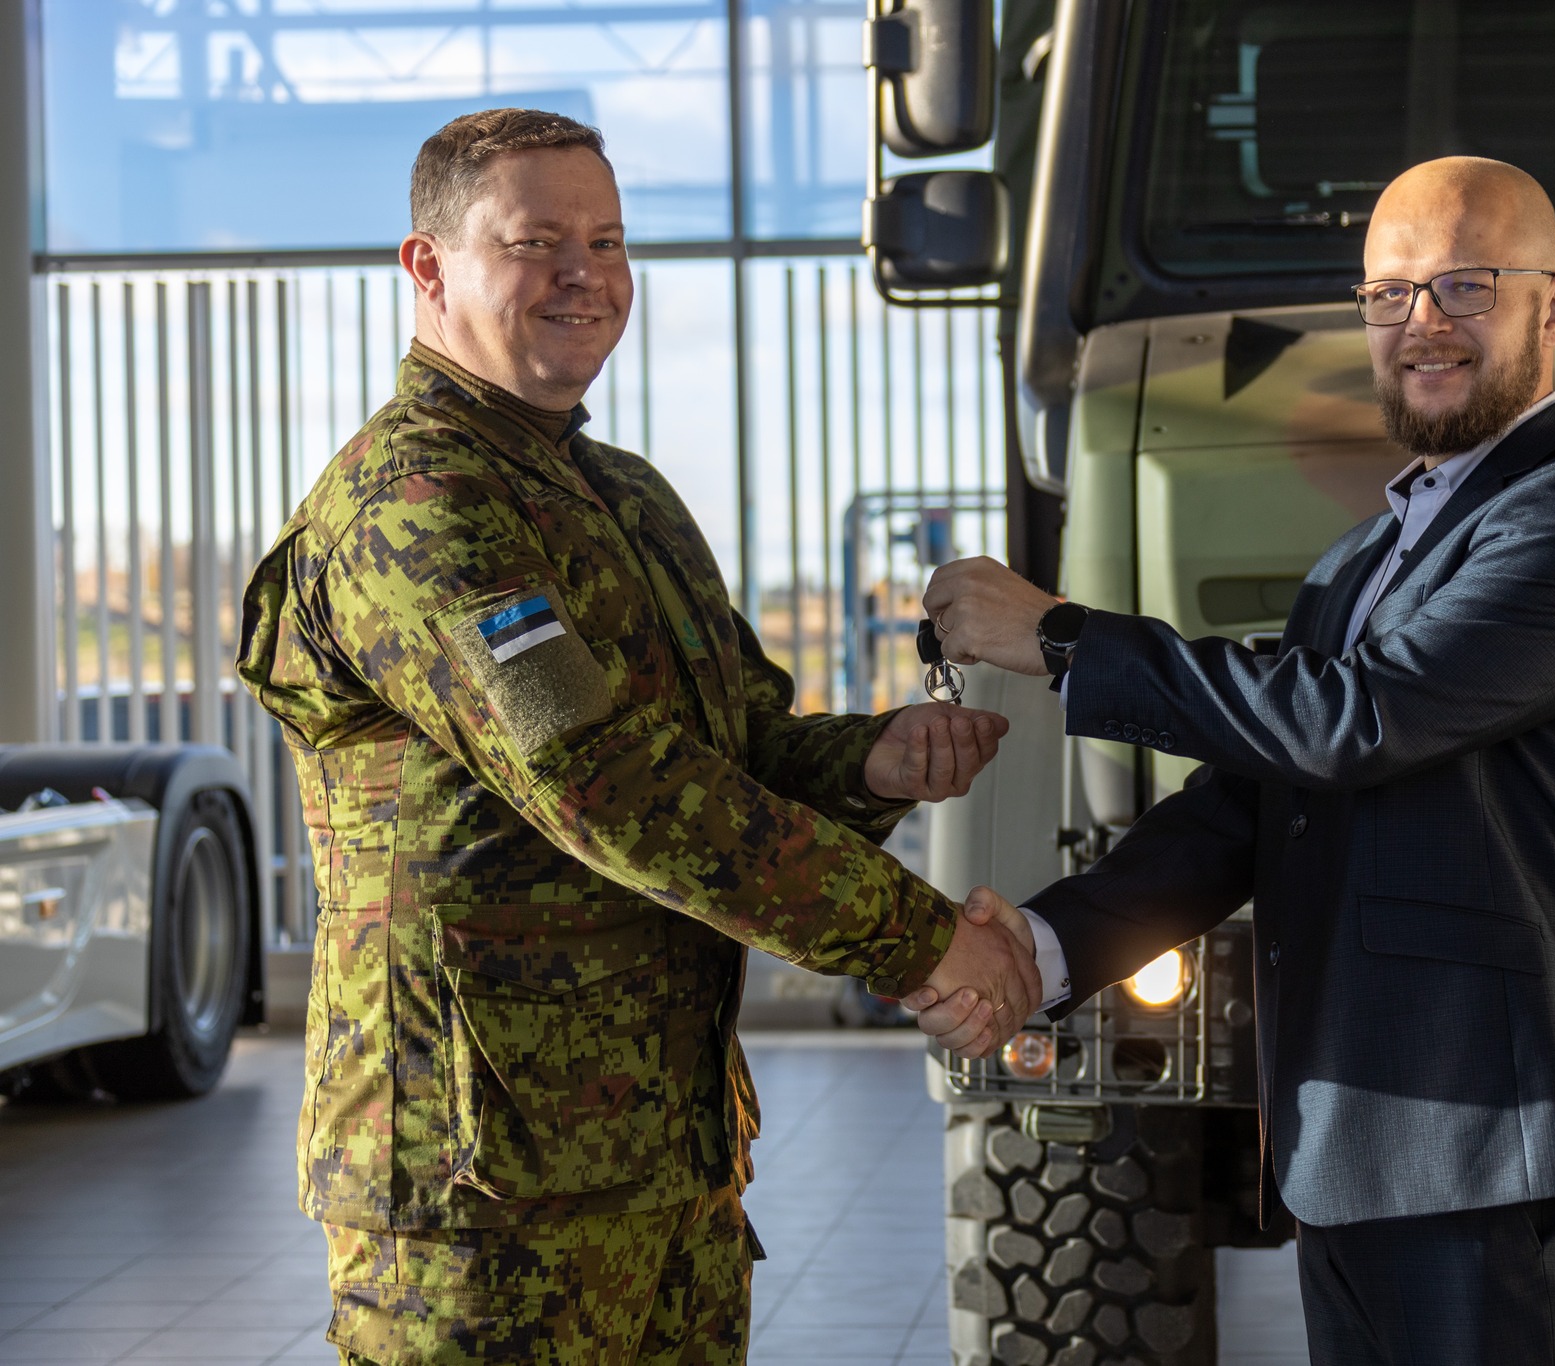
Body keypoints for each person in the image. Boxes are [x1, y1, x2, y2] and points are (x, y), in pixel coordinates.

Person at [236, 108, 1037, 1365]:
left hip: (659, 1155)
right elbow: (607, 786)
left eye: (605, 238)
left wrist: (869, 760)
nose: (583, 273)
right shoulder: (417, 509)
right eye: (536, 240)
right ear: (429, 267)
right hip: (481, 1185)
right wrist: (916, 938)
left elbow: (725, 750)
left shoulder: (625, 498)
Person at [909, 157, 1555, 1365]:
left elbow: (1358, 717)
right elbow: (1252, 799)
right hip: (1353, 1138)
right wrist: (1045, 946)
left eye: (1464, 286)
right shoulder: (1361, 557)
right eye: (1388, 295)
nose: (1421, 328)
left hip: (1486, 1143)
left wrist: (1061, 638)